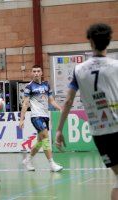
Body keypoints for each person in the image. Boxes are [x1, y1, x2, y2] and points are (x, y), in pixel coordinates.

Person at [56, 23, 118, 200]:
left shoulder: (79, 70)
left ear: (90, 41)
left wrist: (59, 129)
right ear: (109, 41)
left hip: (100, 133)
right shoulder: (115, 66)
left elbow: (68, 101)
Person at [19, 65, 63, 172]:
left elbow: (51, 101)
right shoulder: (29, 87)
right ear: (31, 73)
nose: (36, 73)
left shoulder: (46, 85)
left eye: (38, 71)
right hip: (36, 116)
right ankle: (52, 164)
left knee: (39, 142)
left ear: (42, 73)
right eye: (34, 71)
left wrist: (60, 108)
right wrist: (21, 119)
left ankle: (28, 160)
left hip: (45, 116)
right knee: (45, 138)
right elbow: (25, 104)